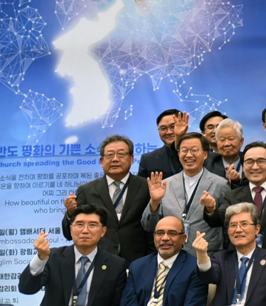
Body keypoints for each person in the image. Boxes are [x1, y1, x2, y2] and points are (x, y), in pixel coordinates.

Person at [63, 135, 152, 263]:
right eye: (109, 155)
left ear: (131, 159)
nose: (115, 159)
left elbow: (153, 227)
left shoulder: (146, 187)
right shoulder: (86, 190)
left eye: (121, 154)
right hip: (99, 262)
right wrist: (70, 213)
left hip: (139, 261)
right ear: (101, 161)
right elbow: (69, 234)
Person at [141, 132, 231, 254]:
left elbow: (227, 226)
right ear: (178, 154)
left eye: (194, 150)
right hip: (172, 254)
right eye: (184, 150)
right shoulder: (165, 184)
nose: (189, 155)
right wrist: (155, 202)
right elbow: (148, 226)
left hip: (207, 254)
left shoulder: (220, 184)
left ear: (205, 154)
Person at [204, 142, 266, 255]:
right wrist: (210, 209)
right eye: (249, 162)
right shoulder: (232, 195)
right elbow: (218, 220)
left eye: (260, 161)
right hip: (239, 260)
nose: (255, 167)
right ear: (243, 167)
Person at [137, 109, 187, 179]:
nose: (169, 132)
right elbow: (142, 188)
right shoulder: (148, 159)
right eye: (163, 128)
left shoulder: (200, 153)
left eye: (173, 127)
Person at [204, 118, 246, 187]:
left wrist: (237, 182)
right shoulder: (208, 162)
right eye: (222, 140)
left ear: (241, 141)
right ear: (217, 143)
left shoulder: (249, 161)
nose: (226, 144)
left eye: (231, 139)